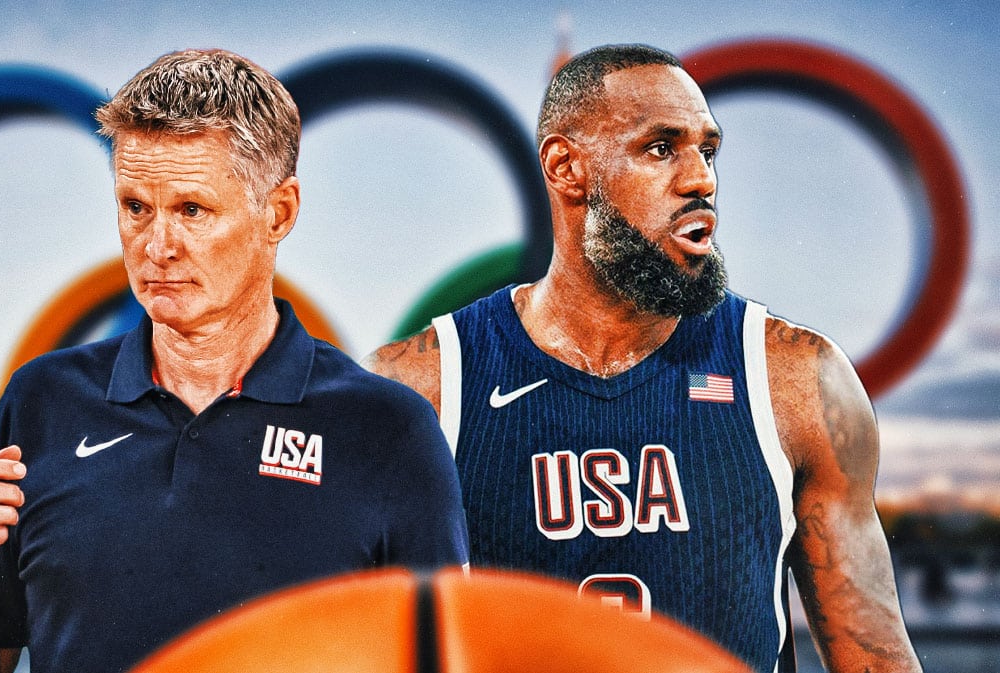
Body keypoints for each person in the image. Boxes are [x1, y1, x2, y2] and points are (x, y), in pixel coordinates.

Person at [0, 48, 468, 673]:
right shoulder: (42, 402)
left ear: (279, 212)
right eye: (135, 208)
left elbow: (449, 658)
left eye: (191, 210)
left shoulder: (387, 430)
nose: (158, 246)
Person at [365, 44, 921, 673]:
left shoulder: (795, 379)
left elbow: (876, 658)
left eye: (707, 151)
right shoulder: (422, 386)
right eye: (662, 148)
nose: (701, 179)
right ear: (566, 168)